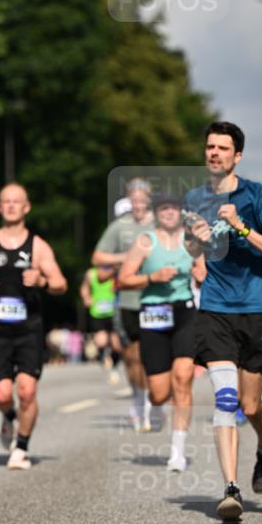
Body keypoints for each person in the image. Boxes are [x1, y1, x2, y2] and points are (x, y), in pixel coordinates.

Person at [183, 122, 262, 522]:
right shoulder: (195, 197)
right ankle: (231, 488)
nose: (214, 153)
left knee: (250, 404)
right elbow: (195, 247)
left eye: (222, 148)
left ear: (237, 156)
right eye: (209, 146)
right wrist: (195, 248)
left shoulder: (258, 195)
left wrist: (242, 227)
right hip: (215, 310)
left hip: (256, 309)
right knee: (226, 400)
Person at [0, 183, 67, 470]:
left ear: (26, 207)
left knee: (27, 391)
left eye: (15, 201)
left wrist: (43, 281)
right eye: (5, 201)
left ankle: (21, 447)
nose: (10, 206)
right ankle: (8, 416)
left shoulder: (38, 246)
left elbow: (60, 283)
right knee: (2, 394)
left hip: (29, 329)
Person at [118, 193, 205, 472]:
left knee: (183, 377)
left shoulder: (191, 241)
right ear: (156, 213)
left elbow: (203, 270)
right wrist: (151, 278)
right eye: (164, 208)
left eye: (174, 208)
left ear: (181, 212)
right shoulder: (145, 241)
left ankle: (177, 452)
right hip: (153, 314)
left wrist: (201, 273)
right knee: (158, 393)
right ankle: (155, 406)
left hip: (184, 312)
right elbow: (123, 279)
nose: (169, 213)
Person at [92, 179, 154, 429]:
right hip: (126, 301)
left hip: (156, 301)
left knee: (154, 355)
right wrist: (126, 257)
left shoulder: (159, 224)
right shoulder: (120, 227)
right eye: (134, 200)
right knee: (132, 357)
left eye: (142, 199)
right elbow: (97, 258)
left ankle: (152, 400)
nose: (138, 204)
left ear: (149, 200)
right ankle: (139, 398)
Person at [79, 263, 121, 383]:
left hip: (113, 312)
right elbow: (84, 288)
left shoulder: (116, 272)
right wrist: (86, 297)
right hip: (97, 313)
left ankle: (114, 367)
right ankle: (104, 360)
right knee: (101, 341)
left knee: (116, 344)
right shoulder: (91, 274)